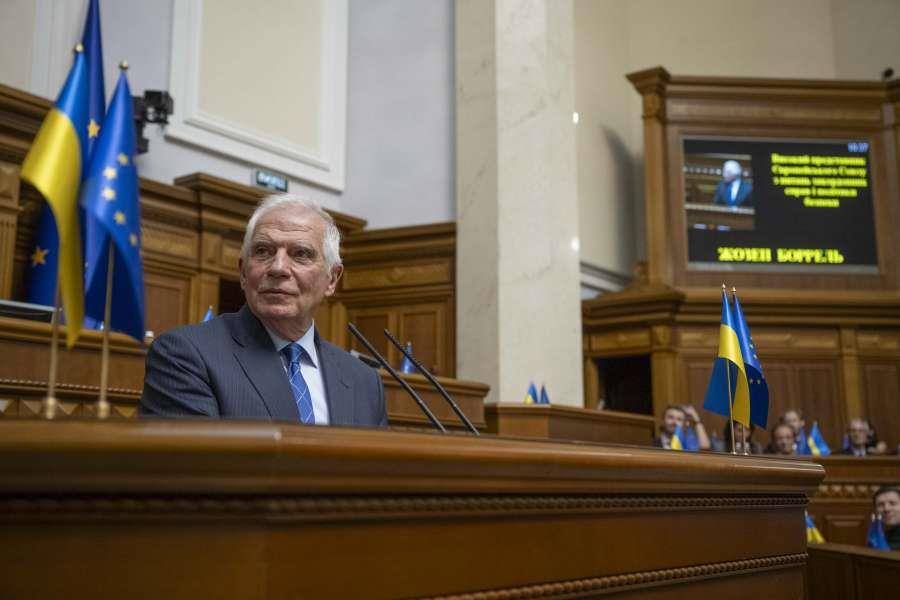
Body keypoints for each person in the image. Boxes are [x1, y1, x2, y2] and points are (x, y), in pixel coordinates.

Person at [140, 194, 388, 426]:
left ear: (332, 279)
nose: (278, 268)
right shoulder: (185, 355)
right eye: (263, 251)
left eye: (301, 254)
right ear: (243, 272)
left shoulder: (364, 382)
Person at [873, 486, 900, 550]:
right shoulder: (875, 535)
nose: (886, 509)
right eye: (881, 505)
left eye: (892, 503)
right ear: (875, 510)